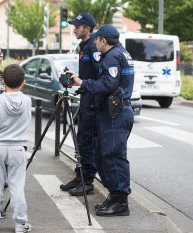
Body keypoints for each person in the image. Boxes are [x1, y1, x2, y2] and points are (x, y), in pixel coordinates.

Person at [69, 24, 134, 217]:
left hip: (115, 112)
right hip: (114, 110)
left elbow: (109, 83)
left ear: (103, 41)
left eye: (96, 39)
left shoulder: (113, 56)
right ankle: (115, 195)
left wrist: (83, 82)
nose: (94, 42)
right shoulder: (120, 53)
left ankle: (121, 200)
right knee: (101, 155)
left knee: (113, 156)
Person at [0, 64, 32, 233]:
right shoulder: (27, 101)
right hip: (18, 147)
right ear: (23, 82)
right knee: (17, 186)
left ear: (3, 82)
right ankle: (20, 223)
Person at [59, 12, 100, 196]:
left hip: (93, 101)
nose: (74, 29)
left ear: (88, 28)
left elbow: (99, 76)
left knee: (87, 141)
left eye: (77, 26)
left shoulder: (94, 46)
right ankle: (80, 176)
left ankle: (87, 181)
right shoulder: (84, 45)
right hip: (86, 98)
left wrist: (83, 82)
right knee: (81, 140)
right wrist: (74, 76)